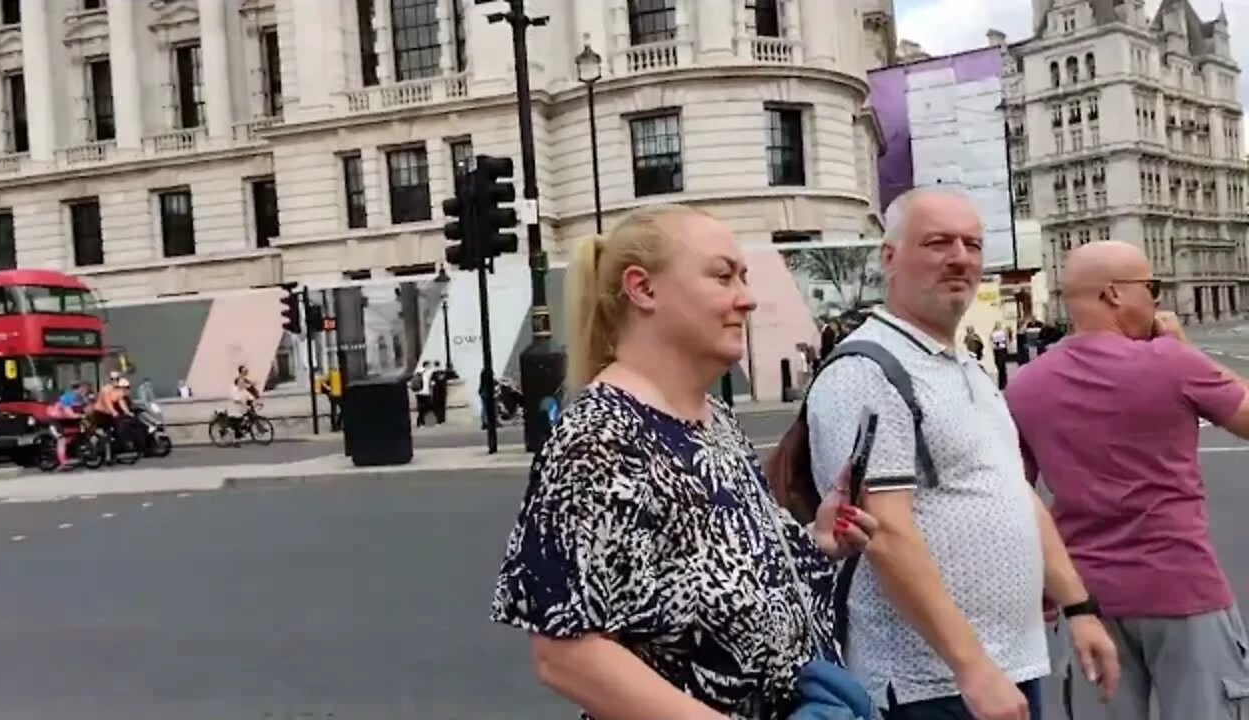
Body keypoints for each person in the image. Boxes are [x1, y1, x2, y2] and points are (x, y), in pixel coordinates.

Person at [490, 204, 879, 719]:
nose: (747, 298)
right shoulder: (600, 440)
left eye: (743, 276)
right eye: (723, 277)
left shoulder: (711, 416)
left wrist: (816, 543)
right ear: (643, 289)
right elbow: (566, 653)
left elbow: (720, 569)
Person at [806, 188, 1118, 720]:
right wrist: (971, 666)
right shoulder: (865, 371)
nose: (960, 257)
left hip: (1006, 668)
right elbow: (886, 535)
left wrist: (1079, 606)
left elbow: (1014, 493)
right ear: (890, 257)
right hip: (930, 685)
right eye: (937, 243)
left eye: (972, 244)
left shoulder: (968, 368)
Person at [1005, 241, 1249, 720]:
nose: (1156, 301)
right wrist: (1184, 349)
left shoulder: (1025, 386)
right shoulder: (1172, 363)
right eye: (1151, 288)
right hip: (1182, 587)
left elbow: (1016, 500)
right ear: (1115, 294)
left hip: (1087, 598)